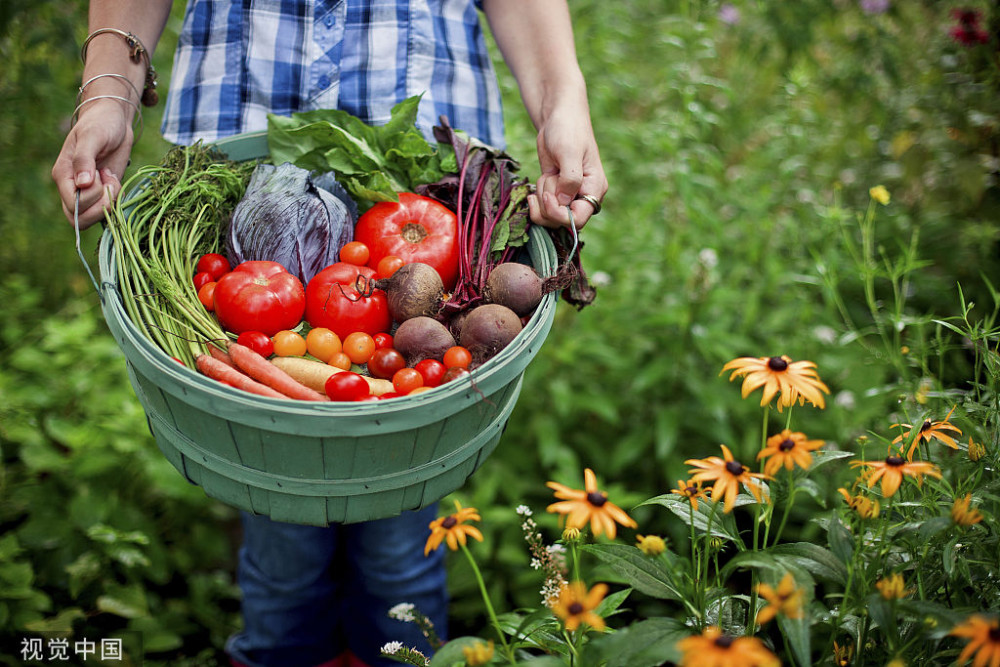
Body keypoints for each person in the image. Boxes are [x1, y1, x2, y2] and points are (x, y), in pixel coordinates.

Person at [52, 2, 608, 666]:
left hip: (423, 149)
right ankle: (284, 647)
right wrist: (107, 89)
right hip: (242, 147)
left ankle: (395, 653)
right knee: (279, 529)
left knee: (401, 542)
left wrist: (563, 99)